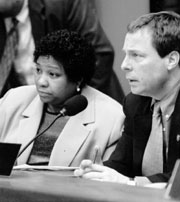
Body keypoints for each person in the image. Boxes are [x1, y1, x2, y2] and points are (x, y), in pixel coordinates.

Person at [74, 11, 180, 186]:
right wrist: (100, 171)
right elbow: (122, 164)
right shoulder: (135, 102)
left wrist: (131, 183)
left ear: (171, 60)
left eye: (137, 56)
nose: (124, 65)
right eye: (126, 54)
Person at [0, 29, 124, 166]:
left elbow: (108, 179)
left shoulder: (113, 118)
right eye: (38, 70)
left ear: (77, 79)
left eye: (53, 74)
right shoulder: (13, 100)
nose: (41, 82)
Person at [0, 0, 124, 103]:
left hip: (86, 105)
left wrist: (75, 102)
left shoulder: (61, 3)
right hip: (31, 111)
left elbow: (100, 54)